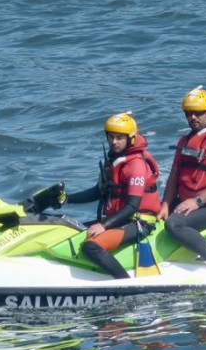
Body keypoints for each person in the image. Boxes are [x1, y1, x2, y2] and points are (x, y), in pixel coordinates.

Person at [64, 112, 161, 279]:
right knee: (67, 227)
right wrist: (67, 199)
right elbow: (97, 191)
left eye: (119, 138)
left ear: (130, 138)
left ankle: (125, 283)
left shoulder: (136, 165)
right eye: (111, 137)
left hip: (139, 220)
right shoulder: (114, 160)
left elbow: (132, 205)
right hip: (120, 218)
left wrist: (104, 225)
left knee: (91, 247)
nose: (114, 142)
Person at [157, 86, 206, 269]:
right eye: (188, 113)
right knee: (151, 215)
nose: (192, 117)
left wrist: (197, 201)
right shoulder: (184, 141)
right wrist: (165, 204)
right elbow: (174, 175)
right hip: (192, 199)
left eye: (198, 113)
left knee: (174, 224)